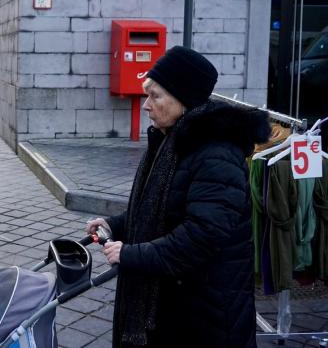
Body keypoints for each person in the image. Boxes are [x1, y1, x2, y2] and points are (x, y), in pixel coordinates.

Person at [86, 47, 270, 348]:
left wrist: (131, 254)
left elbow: (201, 237)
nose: (147, 105)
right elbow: (161, 210)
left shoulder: (216, 154)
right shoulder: (172, 140)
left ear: (183, 99)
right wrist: (115, 225)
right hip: (178, 307)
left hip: (204, 317)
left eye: (155, 96)